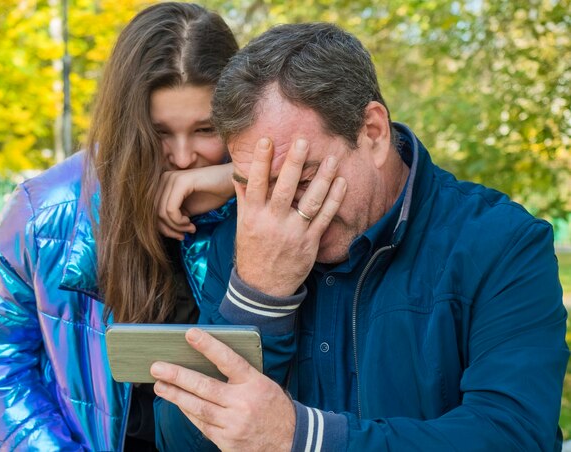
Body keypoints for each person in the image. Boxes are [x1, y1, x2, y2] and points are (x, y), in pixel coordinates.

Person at [151, 22, 569, 451]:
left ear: (372, 131)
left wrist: (302, 438)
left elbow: (514, 436)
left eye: (303, 179)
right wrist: (258, 295)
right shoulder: (246, 239)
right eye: (252, 184)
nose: (280, 214)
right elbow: (181, 440)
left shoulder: (502, 244)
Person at [0, 3, 237, 450]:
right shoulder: (42, 211)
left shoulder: (258, 198)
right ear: (127, 123)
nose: (183, 158)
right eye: (160, 133)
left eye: (205, 129)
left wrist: (240, 179)